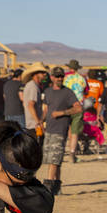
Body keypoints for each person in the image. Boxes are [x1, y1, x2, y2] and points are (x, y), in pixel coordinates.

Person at [41, 66, 83, 195]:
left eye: (61, 76)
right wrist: (40, 121)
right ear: (52, 77)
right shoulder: (47, 91)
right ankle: (57, 188)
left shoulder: (68, 92)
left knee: (54, 159)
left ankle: (48, 186)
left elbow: (78, 108)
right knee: (55, 160)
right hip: (49, 129)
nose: (59, 79)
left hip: (60, 129)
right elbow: (46, 109)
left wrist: (62, 113)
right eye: (57, 76)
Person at [63, 60, 88, 162]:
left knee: (67, 129)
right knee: (75, 131)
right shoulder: (82, 78)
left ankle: (67, 150)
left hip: (66, 105)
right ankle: (72, 152)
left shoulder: (65, 77)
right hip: (78, 106)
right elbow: (86, 91)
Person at [21, 63, 48, 135]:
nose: (44, 74)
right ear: (36, 74)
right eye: (42, 72)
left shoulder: (34, 86)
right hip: (34, 126)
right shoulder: (33, 86)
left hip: (33, 124)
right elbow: (31, 105)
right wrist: (38, 122)